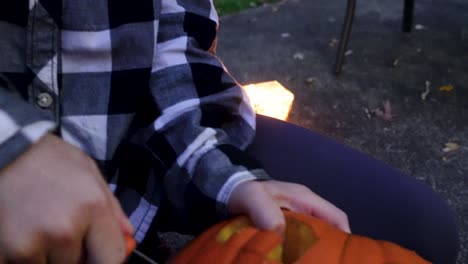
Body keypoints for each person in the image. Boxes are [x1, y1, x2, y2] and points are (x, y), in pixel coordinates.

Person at [0, 0, 459, 263]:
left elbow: (176, 47)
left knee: (419, 228)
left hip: (139, 159)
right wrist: (11, 147)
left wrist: (224, 174)